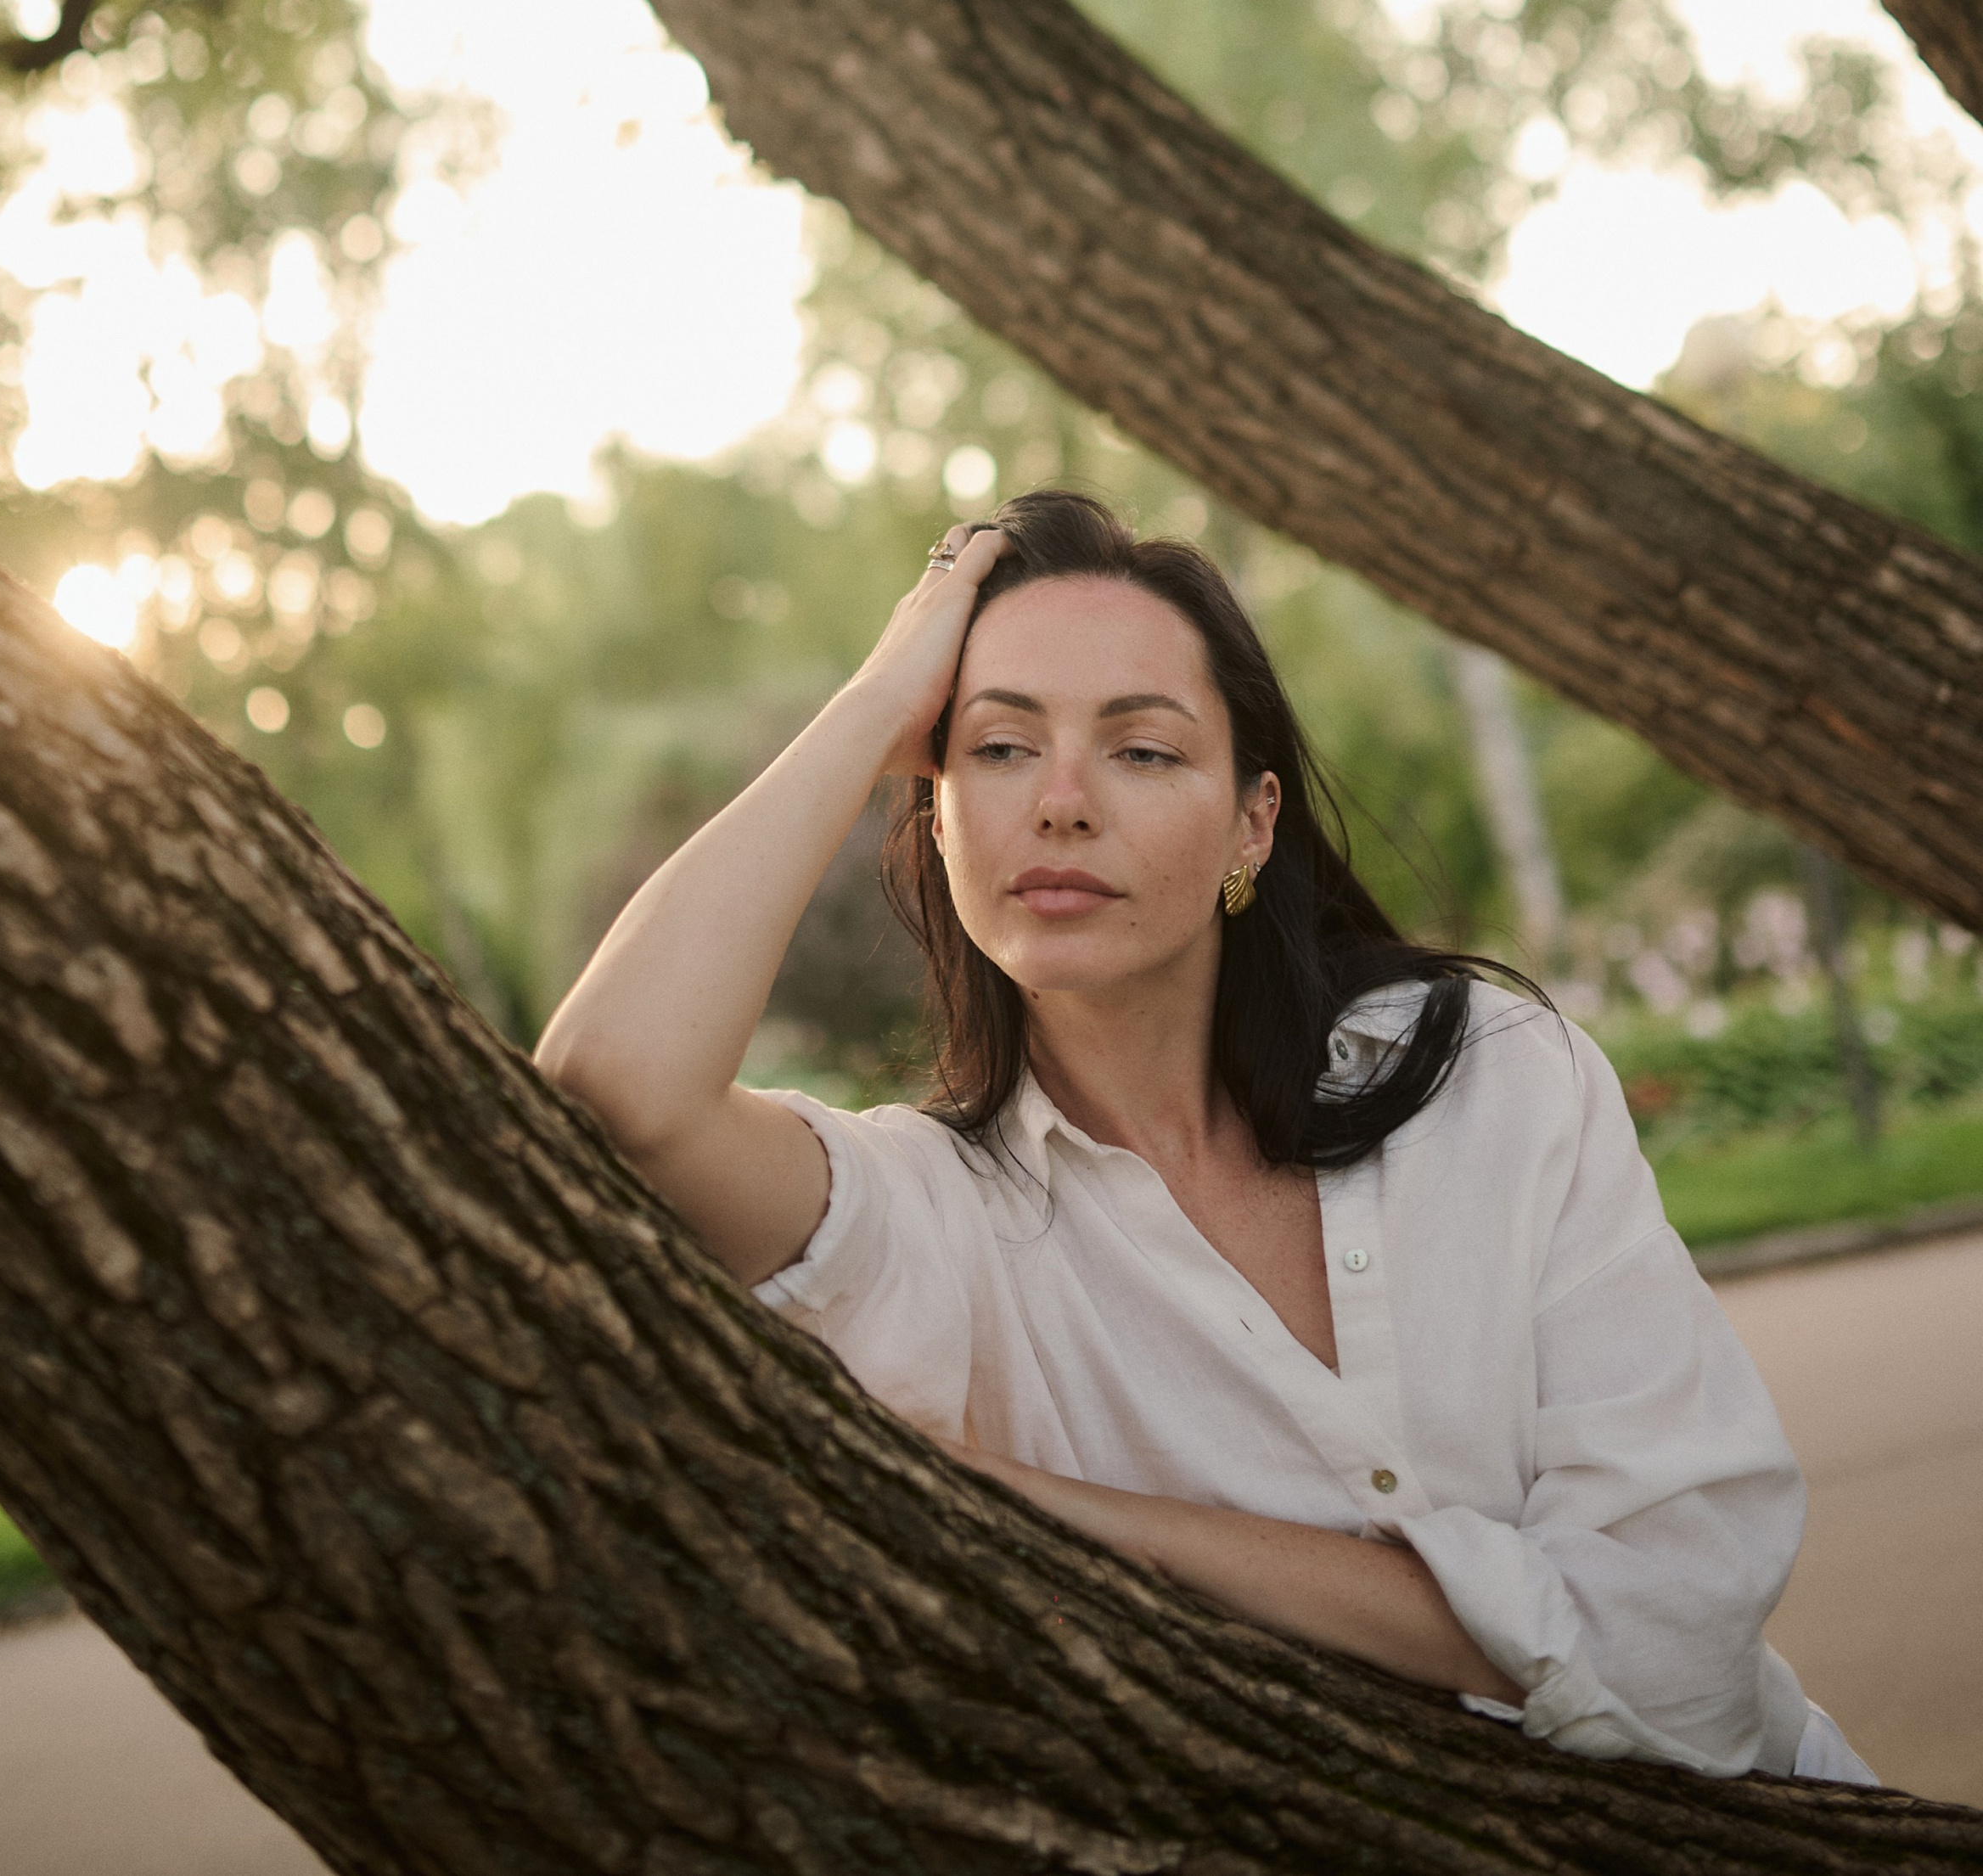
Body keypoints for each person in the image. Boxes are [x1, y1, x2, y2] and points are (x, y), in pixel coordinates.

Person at [536, 489, 1873, 1783]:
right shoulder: (935, 1217)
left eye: (1142, 747)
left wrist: (1105, 1524)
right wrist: (881, 700)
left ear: (1254, 820)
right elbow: (615, 1083)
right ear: (935, 815)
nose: (1060, 801)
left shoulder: (1492, 1077)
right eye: (999, 747)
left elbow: (1683, 1640)